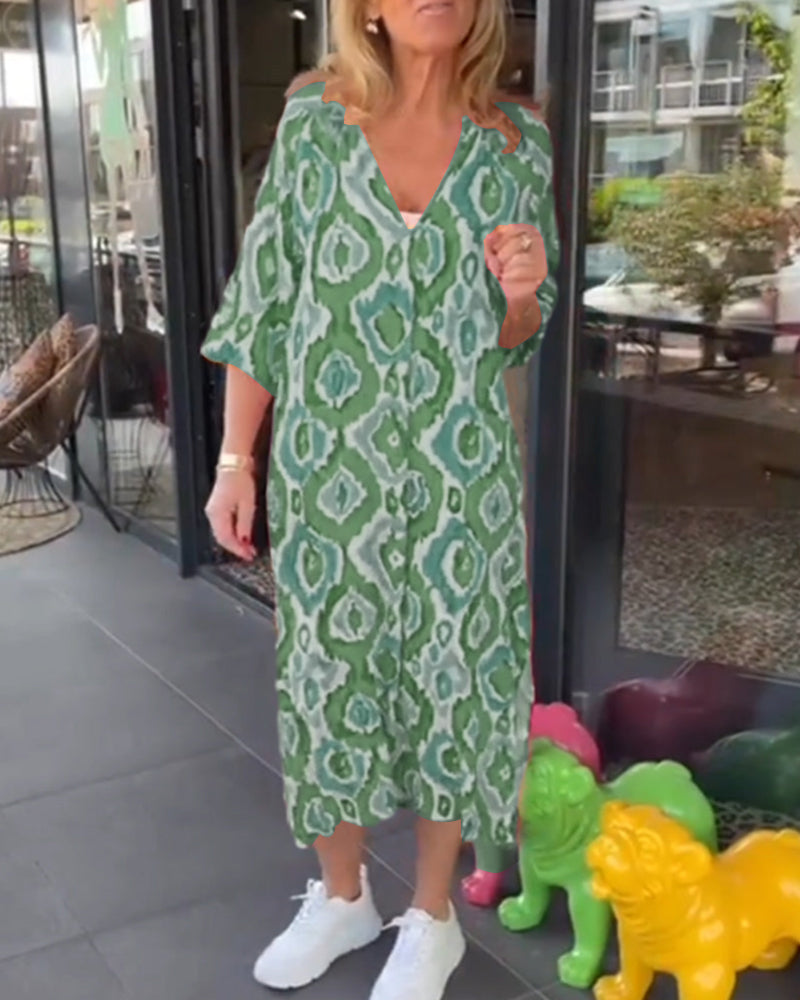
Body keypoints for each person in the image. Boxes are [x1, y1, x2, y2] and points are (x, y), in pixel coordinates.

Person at [201, 0, 560, 995]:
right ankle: (342, 895)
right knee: (330, 676)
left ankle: (432, 917)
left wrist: (520, 293)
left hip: (461, 473)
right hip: (331, 471)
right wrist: (234, 460)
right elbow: (265, 301)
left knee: (455, 677)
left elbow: (517, 335)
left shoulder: (515, 141)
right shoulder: (316, 121)